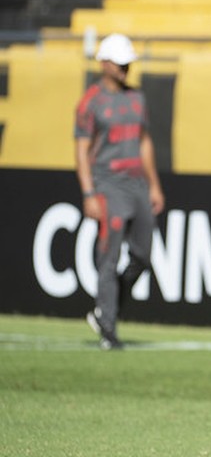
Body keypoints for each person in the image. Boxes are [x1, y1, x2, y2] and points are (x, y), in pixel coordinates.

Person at [75, 33, 165, 350]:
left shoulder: (137, 98)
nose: (126, 68)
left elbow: (144, 142)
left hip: (137, 184)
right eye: (120, 62)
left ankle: (106, 311)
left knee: (142, 256)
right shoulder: (91, 103)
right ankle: (108, 330)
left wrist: (154, 184)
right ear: (104, 63)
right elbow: (82, 150)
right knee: (109, 257)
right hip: (108, 186)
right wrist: (88, 194)